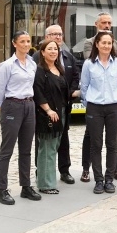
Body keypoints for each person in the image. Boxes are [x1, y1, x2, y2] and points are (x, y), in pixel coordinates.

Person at [0, 30, 41, 205]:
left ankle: (25, 186)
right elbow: (0, 89)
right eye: (22, 41)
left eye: (28, 41)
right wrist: (1, 107)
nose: (26, 44)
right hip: (12, 105)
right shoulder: (7, 65)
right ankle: (2, 190)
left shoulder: (32, 64)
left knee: (26, 149)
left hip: (29, 105)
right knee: (7, 149)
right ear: (14, 44)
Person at [80, 12, 117, 183]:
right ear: (97, 44)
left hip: (114, 106)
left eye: (109, 43)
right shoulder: (89, 60)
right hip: (95, 107)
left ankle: (109, 177)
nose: (107, 25)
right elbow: (84, 86)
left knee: (112, 143)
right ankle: (95, 176)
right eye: (103, 43)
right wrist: (90, 103)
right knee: (95, 143)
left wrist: (116, 98)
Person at [32, 25, 80, 185]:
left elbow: (74, 77)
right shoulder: (37, 59)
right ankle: (43, 174)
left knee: (63, 141)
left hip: (64, 107)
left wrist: (70, 93)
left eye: (60, 34)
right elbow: (37, 88)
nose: (58, 37)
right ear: (46, 37)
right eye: (54, 34)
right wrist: (47, 108)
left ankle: (64, 171)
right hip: (46, 111)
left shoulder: (67, 57)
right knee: (45, 144)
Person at [33, 39, 69, 195]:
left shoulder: (59, 69)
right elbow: (38, 92)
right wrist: (48, 110)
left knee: (54, 147)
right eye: (50, 49)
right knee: (47, 149)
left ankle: (47, 180)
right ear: (42, 52)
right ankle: (45, 185)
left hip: (61, 113)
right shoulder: (40, 71)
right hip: (47, 115)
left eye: (55, 49)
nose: (53, 51)